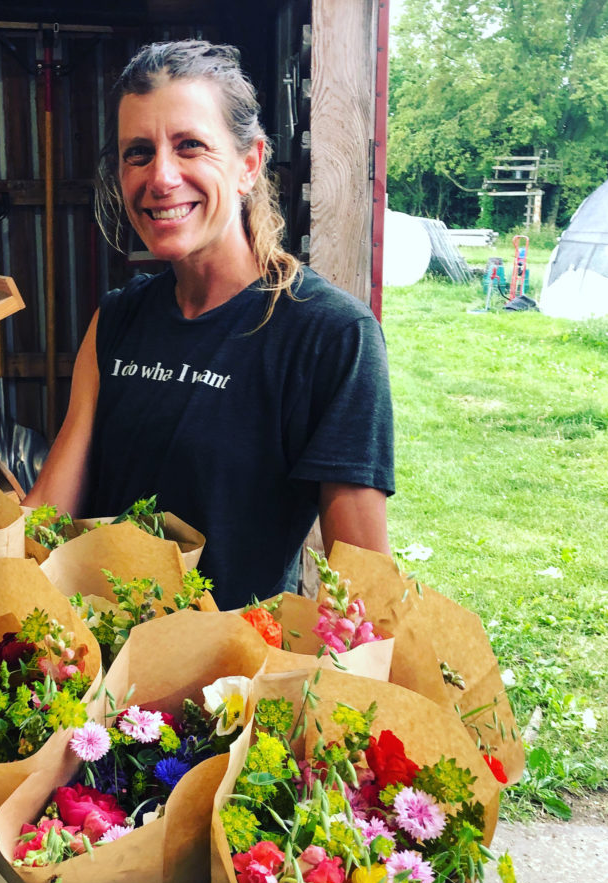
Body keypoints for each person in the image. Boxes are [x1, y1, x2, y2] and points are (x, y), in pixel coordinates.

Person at [26, 40, 394, 609]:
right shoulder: (117, 319)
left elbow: (363, 589)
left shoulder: (328, 337)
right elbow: (49, 514)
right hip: (93, 666)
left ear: (249, 164)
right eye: (138, 153)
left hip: (232, 683)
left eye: (190, 146)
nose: (162, 177)